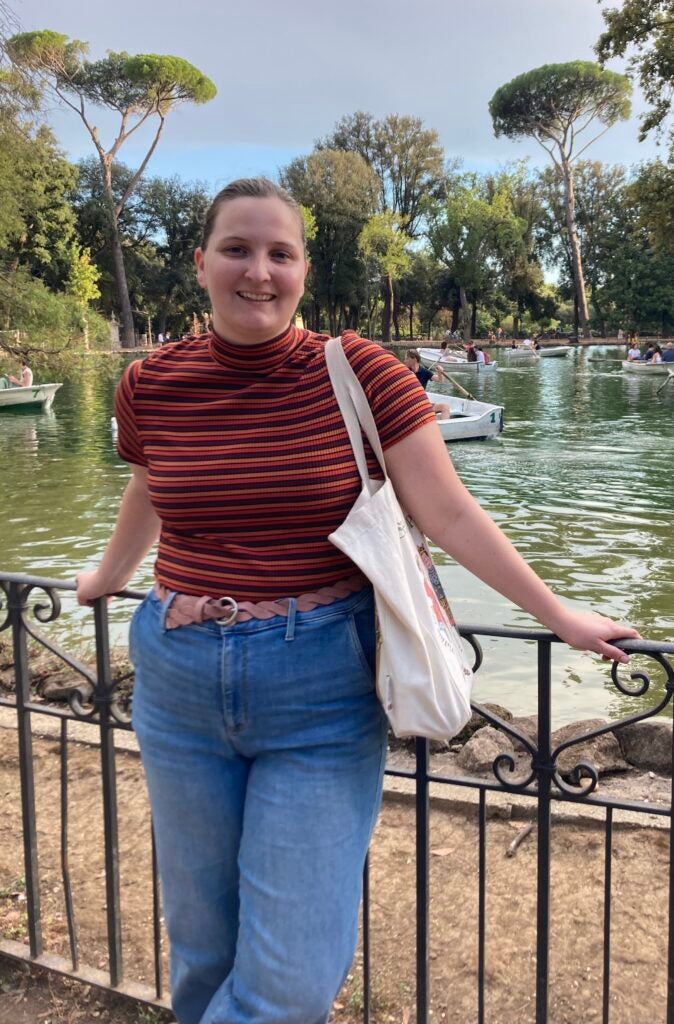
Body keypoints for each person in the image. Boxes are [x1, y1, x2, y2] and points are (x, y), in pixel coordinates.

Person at [76, 177, 638, 1024]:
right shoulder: (150, 384)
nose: (257, 271)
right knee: (202, 953)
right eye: (237, 249)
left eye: (279, 253)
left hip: (321, 685)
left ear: (304, 269)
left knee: (287, 985)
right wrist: (110, 575)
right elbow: (153, 493)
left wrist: (557, 613)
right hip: (178, 674)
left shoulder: (358, 370)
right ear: (200, 264)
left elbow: (446, 510)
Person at [403, 350, 451, 418]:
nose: (404, 361)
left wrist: (440, 372)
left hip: (422, 404)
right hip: (409, 405)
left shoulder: (424, 371)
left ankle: (444, 428)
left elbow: (440, 380)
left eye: (407, 358)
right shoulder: (404, 371)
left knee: (445, 407)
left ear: (414, 359)